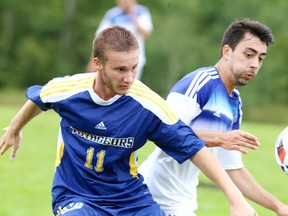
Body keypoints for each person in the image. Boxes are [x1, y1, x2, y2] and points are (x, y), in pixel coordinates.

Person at [0, 26, 257, 216]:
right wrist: (15, 128)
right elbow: (39, 97)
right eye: (121, 69)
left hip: (130, 199)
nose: (129, 77)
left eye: (134, 68)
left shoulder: (147, 104)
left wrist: (236, 200)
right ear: (98, 64)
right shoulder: (68, 89)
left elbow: (194, 147)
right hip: (76, 195)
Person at [139, 19, 288, 216]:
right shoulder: (200, 83)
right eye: (249, 54)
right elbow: (162, 130)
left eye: (260, 58)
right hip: (151, 197)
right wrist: (220, 138)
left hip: (182, 203)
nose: (254, 64)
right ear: (227, 51)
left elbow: (232, 169)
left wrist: (279, 207)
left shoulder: (235, 103)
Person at [86, 0, 153, 80]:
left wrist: (132, 15)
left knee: (130, 87)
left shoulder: (142, 12)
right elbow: (100, 38)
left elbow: (145, 33)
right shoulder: (112, 14)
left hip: (135, 60)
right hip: (113, 60)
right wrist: (93, 59)